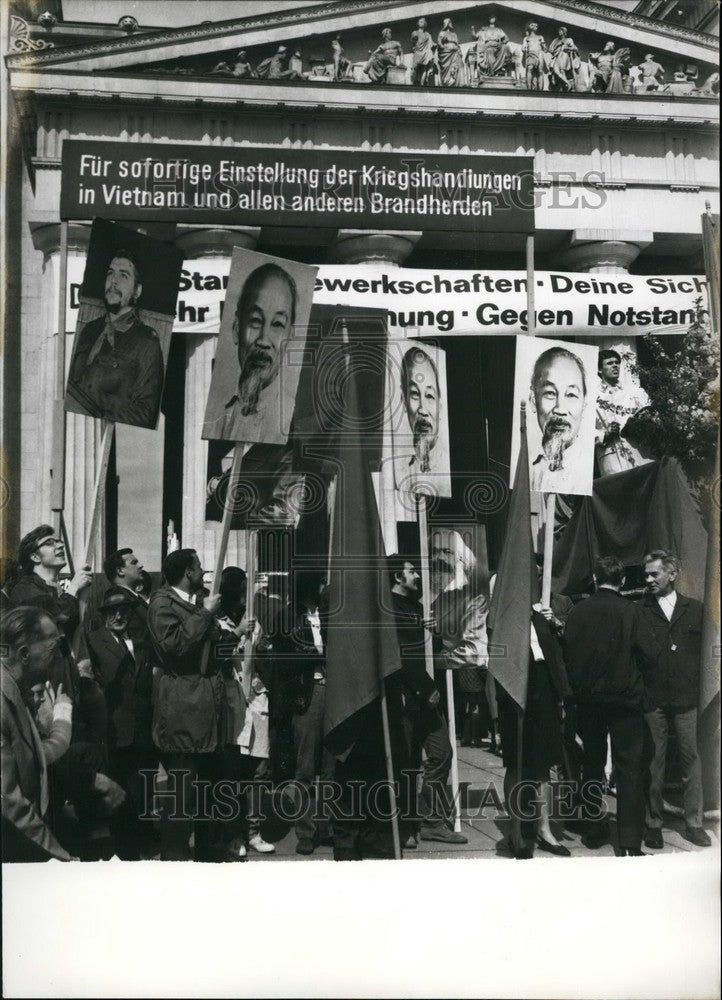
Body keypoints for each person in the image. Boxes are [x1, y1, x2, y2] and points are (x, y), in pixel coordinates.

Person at [564, 556, 659, 856]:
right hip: (625, 700)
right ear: (622, 581)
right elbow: (651, 654)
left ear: (595, 578)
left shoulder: (578, 612)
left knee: (592, 765)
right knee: (629, 768)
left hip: (589, 701)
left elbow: (568, 656)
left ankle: (594, 829)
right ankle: (630, 841)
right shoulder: (632, 611)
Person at [147, 548, 227, 861]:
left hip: (204, 705)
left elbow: (214, 639)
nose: (204, 571)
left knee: (206, 790)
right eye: (199, 566)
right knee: (182, 790)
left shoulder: (193, 603)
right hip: (183, 707)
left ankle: (209, 855)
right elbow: (174, 645)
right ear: (187, 573)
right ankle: (175, 859)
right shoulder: (162, 605)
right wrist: (205, 614)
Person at [387, 555, 467, 846]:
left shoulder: (416, 607)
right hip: (407, 698)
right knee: (406, 763)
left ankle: (432, 821)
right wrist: (425, 691)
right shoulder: (388, 610)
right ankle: (405, 825)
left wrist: (432, 632)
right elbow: (401, 657)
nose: (417, 576)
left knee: (441, 753)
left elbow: (431, 650)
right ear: (397, 577)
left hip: (426, 698)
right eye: (411, 572)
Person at [640, 551, 711, 849]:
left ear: (672, 574)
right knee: (653, 762)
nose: (648, 580)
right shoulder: (640, 610)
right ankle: (653, 824)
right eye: (646, 574)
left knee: (690, 760)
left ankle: (694, 823)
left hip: (686, 699)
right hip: (653, 697)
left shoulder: (695, 609)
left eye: (654, 574)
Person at [85, 587, 157, 859]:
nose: (118, 617)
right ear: (103, 615)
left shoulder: (141, 642)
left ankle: (136, 847)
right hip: (112, 732)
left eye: (123, 611)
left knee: (140, 792)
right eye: (112, 612)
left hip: (143, 732)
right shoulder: (93, 642)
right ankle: (122, 851)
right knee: (117, 794)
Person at [1, 607, 76, 861]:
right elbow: (9, 802)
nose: (58, 658)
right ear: (24, 654)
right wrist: (60, 857)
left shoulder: (14, 689)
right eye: (53, 650)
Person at [270, 570, 335, 855]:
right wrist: (319, 656)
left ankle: (326, 826)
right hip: (308, 694)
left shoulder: (329, 614)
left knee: (332, 767)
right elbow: (285, 659)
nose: (325, 587)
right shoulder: (287, 617)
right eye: (321, 582)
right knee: (305, 766)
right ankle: (306, 831)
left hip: (335, 691)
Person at [66, 250, 164, 429]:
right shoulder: (89, 330)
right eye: (110, 273)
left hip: (106, 434)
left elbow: (145, 413)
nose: (113, 281)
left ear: (137, 291)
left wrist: (100, 420)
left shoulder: (147, 342)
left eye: (123, 275)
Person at [216, 566, 274, 857]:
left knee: (258, 772)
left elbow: (264, 657)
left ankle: (253, 831)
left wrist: (263, 647)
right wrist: (238, 634)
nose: (245, 598)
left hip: (256, 700)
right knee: (232, 771)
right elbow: (215, 657)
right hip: (231, 703)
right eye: (240, 592)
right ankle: (233, 834)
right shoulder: (217, 622)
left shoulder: (254, 621)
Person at [204, 263, 298, 441]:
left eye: (277, 324)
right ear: (236, 329)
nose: (263, 340)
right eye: (255, 320)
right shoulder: (214, 420)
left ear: (289, 338)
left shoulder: (293, 421)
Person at [9, 525, 92, 700]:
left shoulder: (60, 590)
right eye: (49, 543)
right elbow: (60, 616)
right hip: (40, 680)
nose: (60, 546)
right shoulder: (24, 588)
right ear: (34, 556)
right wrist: (74, 587)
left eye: (59, 542)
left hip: (68, 673)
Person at [430, 530, 493, 752]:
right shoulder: (430, 599)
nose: (439, 558)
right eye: (434, 551)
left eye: (446, 551)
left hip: (454, 676)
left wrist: (431, 660)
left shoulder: (474, 599)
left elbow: (472, 652)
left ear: (460, 558)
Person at [529, 346, 589, 494]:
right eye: (550, 393)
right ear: (533, 401)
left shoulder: (588, 473)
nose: (560, 409)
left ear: (584, 405)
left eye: (571, 395)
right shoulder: (526, 469)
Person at [595, 349, 650, 476]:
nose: (615, 365)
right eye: (609, 363)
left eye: (617, 362)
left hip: (639, 453)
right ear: (599, 370)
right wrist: (604, 434)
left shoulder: (635, 391)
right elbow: (583, 434)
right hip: (613, 460)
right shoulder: (592, 398)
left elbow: (651, 416)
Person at [400, 346, 441, 475]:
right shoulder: (401, 471)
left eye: (429, 395)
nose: (422, 409)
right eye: (415, 394)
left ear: (439, 405)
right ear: (404, 400)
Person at [548, 26, 580, 91]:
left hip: (564, 55)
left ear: (564, 32)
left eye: (561, 31)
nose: (559, 32)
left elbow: (575, 49)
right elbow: (550, 50)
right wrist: (558, 45)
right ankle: (567, 83)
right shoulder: (555, 40)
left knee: (562, 71)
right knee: (556, 70)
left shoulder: (568, 40)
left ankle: (564, 87)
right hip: (557, 56)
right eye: (559, 31)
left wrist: (566, 48)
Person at [437, 19, 465, 88]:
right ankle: (447, 82)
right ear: (447, 23)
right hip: (446, 54)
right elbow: (439, 42)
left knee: (458, 66)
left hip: (455, 53)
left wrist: (458, 50)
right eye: (450, 22)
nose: (451, 24)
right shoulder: (442, 33)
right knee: (446, 68)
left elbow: (457, 44)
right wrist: (443, 46)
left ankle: (457, 82)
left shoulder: (454, 34)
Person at [521, 22, 548, 92]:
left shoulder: (540, 37)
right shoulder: (526, 38)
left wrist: (544, 46)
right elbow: (523, 48)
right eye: (532, 25)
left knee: (540, 71)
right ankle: (529, 88)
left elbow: (545, 48)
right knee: (530, 69)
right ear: (529, 27)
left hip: (539, 54)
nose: (535, 26)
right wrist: (524, 48)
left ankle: (540, 90)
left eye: (536, 25)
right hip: (531, 54)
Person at [410, 18, 435, 87]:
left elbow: (431, 43)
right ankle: (415, 82)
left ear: (425, 24)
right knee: (415, 67)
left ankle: (422, 83)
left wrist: (434, 44)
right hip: (418, 52)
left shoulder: (427, 34)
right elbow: (413, 40)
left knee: (424, 68)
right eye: (420, 22)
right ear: (418, 24)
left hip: (425, 52)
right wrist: (414, 38)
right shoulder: (415, 32)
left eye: (423, 22)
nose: (421, 23)